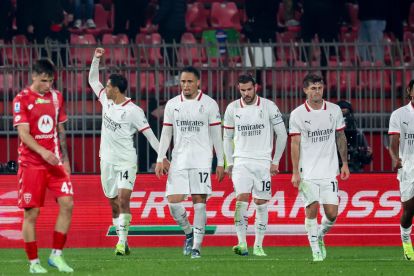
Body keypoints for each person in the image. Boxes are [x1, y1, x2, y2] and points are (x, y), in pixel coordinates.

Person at [88, 47, 169, 256]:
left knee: (124, 199)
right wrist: (96, 59)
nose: (105, 88)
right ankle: (122, 239)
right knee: (113, 203)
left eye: (108, 85)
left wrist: (162, 157)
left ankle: (122, 243)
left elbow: (150, 136)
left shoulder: (134, 111)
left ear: (116, 89)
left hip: (126, 161)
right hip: (106, 160)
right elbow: (92, 81)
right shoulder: (106, 100)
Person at [155, 66, 224, 259]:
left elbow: (216, 135)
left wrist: (221, 161)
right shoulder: (172, 104)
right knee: (173, 203)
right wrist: (161, 158)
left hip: (202, 160)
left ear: (198, 82)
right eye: (183, 82)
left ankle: (197, 247)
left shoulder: (209, 104)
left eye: (189, 81)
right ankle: (188, 232)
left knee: (199, 203)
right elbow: (166, 132)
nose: (186, 85)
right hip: (179, 160)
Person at [12, 59, 74, 273]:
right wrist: (42, 152)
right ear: (34, 76)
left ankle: (56, 255)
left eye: (51, 81)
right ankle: (33, 263)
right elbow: (23, 134)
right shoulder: (21, 99)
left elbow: (60, 129)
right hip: (31, 164)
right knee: (32, 214)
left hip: (54, 162)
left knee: (67, 204)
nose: (48, 86)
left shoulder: (57, 97)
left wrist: (65, 159)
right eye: (44, 81)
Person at [223, 74, 287, 256]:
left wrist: (275, 161)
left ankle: (258, 245)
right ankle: (242, 243)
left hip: (262, 162)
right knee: (241, 200)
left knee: (260, 203)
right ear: (238, 89)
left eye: (249, 89)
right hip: (241, 161)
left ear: (256, 87)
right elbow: (227, 137)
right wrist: (229, 162)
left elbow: (282, 134)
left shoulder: (268, 106)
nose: (246, 93)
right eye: (242, 90)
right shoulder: (232, 108)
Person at [289, 73, 350, 262]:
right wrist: (294, 172)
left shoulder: (334, 110)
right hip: (307, 172)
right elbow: (295, 144)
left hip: (329, 171)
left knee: (332, 214)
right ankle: (315, 249)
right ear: (305, 90)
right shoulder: (297, 114)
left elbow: (340, 137)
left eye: (319, 87)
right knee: (312, 209)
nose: (317, 91)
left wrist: (345, 163)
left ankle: (320, 234)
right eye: (313, 88)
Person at [388, 79, 414, 261]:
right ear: (409, 91)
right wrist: (395, 158)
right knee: (409, 211)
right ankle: (406, 238)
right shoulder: (399, 114)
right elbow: (393, 142)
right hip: (408, 167)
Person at [337, 100, 372, 172]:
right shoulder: (331, 133)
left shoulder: (358, 133)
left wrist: (368, 154)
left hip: (355, 168)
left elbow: (366, 159)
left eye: (344, 109)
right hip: (335, 169)